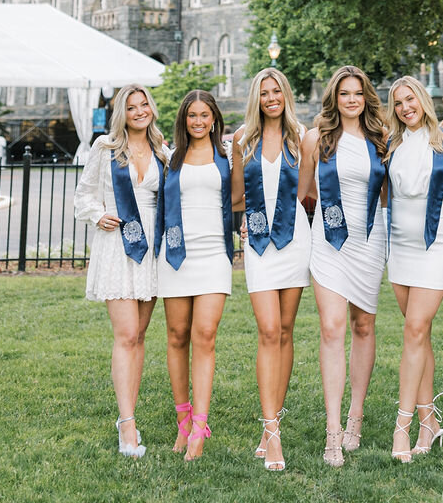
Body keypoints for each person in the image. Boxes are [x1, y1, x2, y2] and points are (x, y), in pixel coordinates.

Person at [299, 65, 388, 468]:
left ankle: (356, 416)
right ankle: (333, 430)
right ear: (334, 98)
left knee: (363, 326)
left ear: (366, 98)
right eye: (344, 94)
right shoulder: (316, 139)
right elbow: (303, 195)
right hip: (329, 242)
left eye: (357, 94)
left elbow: (395, 192)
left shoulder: (381, 139)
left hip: (369, 241)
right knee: (332, 328)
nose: (351, 100)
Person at [73, 84, 165, 458]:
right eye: (132, 107)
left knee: (139, 335)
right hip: (118, 247)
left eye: (144, 105)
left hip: (151, 251)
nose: (140, 111)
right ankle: (126, 424)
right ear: (121, 114)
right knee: (126, 334)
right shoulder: (105, 148)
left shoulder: (163, 150)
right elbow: (83, 195)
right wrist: (99, 214)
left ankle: (130, 411)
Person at [231, 67, 311, 473]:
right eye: (264, 92)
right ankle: (272, 430)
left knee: (285, 331)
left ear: (286, 93)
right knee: (267, 329)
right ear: (256, 99)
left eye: (276, 90)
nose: (271, 97)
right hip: (260, 243)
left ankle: (270, 425)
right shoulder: (243, 140)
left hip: (295, 239)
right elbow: (236, 196)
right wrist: (243, 218)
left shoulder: (303, 137)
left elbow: (309, 193)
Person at [156, 89, 234, 462]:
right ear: (184, 120)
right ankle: (183, 420)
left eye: (205, 115)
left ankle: (200, 426)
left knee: (205, 335)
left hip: (214, 254)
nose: (199, 121)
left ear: (215, 119)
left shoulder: (229, 155)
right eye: (192, 116)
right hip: (177, 256)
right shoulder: (171, 158)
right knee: (176, 336)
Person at [383, 76, 443, 462]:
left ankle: (403, 426)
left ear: (422, 99)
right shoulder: (393, 144)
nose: (404, 108)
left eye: (409, 99)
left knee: (414, 330)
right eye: (397, 103)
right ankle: (429, 421)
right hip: (401, 248)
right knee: (419, 334)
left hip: (436, 244)